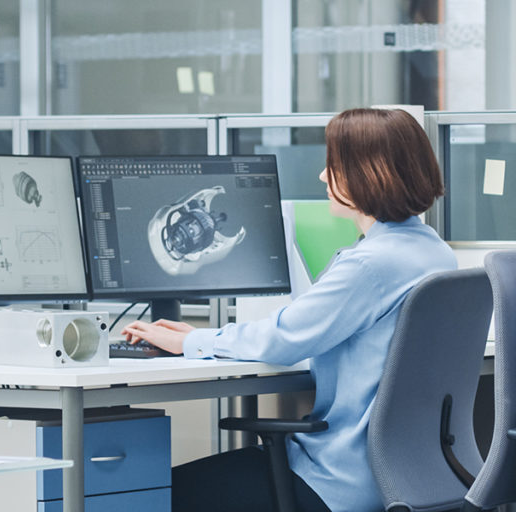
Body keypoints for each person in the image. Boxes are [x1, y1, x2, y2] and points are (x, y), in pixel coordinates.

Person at [122, 108, 455, 512]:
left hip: (338, 481)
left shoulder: (369, 266)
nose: (323, 176)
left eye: (333, 165)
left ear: (368, 173)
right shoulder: (436, 252)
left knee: (147, 494)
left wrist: (190, 339)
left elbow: (282, 339)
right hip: (411, 476)